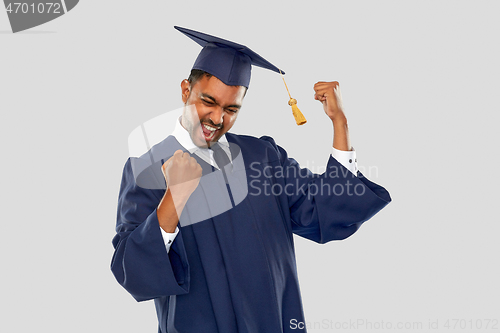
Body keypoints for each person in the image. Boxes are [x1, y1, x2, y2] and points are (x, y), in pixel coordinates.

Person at [111, 26, 391, 333]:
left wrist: (341, 123)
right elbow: (132, 270)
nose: (218, 119)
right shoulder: (148, 168)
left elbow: (327, 209)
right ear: (185, 90)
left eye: (231, 109)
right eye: (208, 101)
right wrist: (174, 198)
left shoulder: (263, 157)